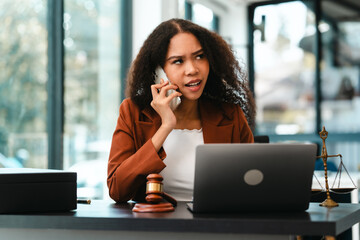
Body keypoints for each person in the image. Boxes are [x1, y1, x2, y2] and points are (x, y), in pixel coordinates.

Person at [107, 18, 256, 203]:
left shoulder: (230, 115)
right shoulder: (132, 112)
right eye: (178, 61)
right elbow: (117, 190)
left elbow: (252, 186)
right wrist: (165, 127)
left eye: (200, 56)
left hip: (217, 225)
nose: (192, 69)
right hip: (156, 226)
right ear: (159, 72)